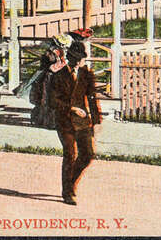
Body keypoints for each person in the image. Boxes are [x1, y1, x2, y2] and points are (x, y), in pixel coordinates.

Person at [48, 34, 102, 205]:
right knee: (70, 153)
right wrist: (71, 108)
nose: (78, 62)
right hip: (64, 121)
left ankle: (70, 183)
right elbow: (52, 101)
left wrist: (97, 120)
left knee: (88, 154)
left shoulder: (87, 75)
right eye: (75, 58)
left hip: (83, 122)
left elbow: (92, 98)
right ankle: (67, 192)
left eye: (80, 59)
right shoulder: (58, 75)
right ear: (69, 58)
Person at [29, 34, 72, 129]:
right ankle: (48, 121)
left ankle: (48, 121)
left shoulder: (56, 51)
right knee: (49, 98)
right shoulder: (54, 51)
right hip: (51, 76)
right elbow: (53, 64)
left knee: (51, 98)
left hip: (55, 75)